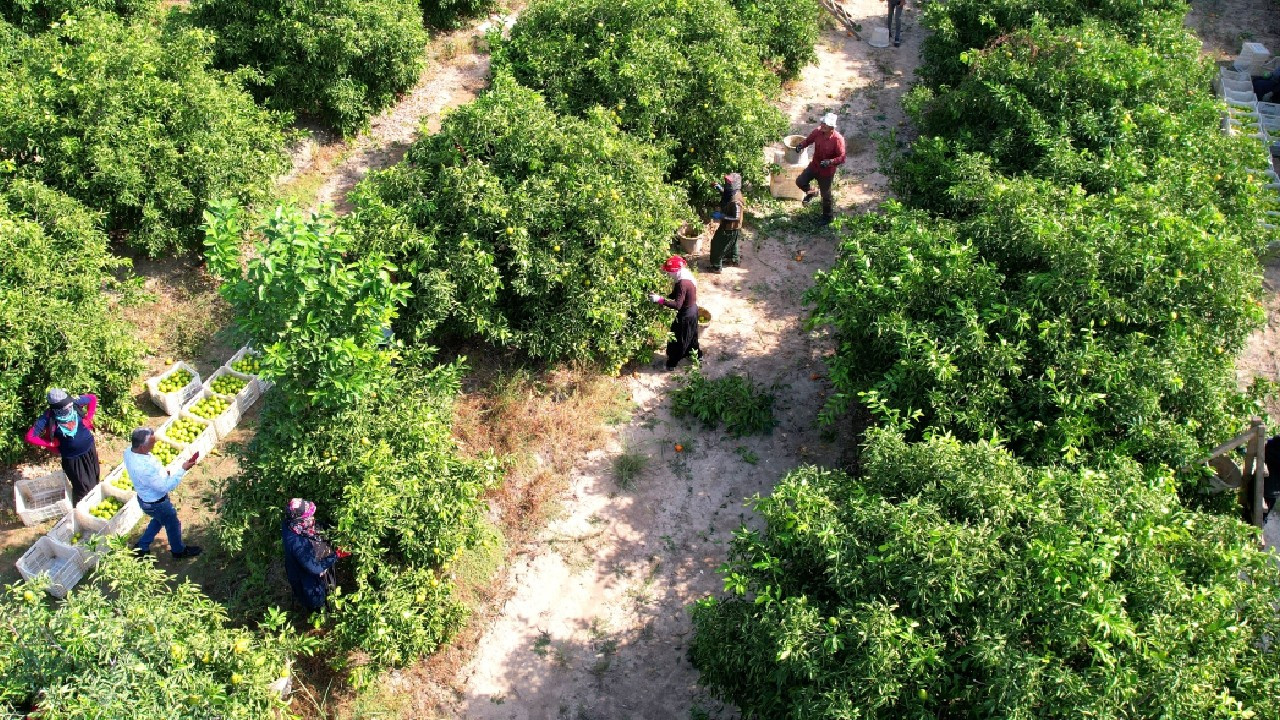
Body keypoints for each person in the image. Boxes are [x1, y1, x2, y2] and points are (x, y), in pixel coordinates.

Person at [124, 427, 202, 559]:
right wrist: (183, 469)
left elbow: (155, 480)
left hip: (145, 498)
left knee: (159, 519)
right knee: (172, 523)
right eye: (152, 443)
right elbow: (164, 487)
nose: (154, 445)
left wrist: (162, 474)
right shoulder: (143, 468)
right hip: (156, 503)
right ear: (142, 447)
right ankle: (178, 551)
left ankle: (142, 546)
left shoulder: (128, 452)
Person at [25, 389, 101, 504]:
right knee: (83, 487)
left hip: (89, 448)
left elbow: (92, 398)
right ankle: (81, 510)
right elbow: (30, 436)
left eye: (69, 405)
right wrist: (49, 444)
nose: (69, 407)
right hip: (72, 458)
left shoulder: (73, 403)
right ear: (57, 408)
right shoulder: (48, 417)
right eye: (66, 407)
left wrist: (89, 417)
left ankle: (95, 501)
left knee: (94, 477)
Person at [282, 498, 341, 613]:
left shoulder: (290, 524)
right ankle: (321, 617)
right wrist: (337, 555)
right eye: (309, 516)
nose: (312, 518)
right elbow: (315, 568)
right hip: (307, 578)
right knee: (317, 603)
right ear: (300, 520)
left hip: (309, 566)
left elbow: (315, 526)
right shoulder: (297, 543)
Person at [649, 255, 700, 371]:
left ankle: (671, 364)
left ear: (674, 271)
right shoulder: (685, 275)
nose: (668, 274)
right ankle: (696, 356)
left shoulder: (682, 283)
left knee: (677, 339)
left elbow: (678, 305)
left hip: (686, 315)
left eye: (668, 272)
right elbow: (677, 295)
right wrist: (662, 296)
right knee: (691, 336)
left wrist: (660, 300)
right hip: (693, 311)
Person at [794, 113, 847, 225]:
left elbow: (842, 158)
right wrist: (801, 145)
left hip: (826, 172)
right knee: (800, 181)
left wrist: (830, 162)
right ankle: (812, 192)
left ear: (832, 127)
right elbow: (808, 141)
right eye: (822, 122)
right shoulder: (817, 132)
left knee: (826, 196)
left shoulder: (838, 140)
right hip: (815, 166)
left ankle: (827, 218)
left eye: (826, 124)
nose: (822, 125)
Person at [708, 173, 744, 272]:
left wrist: (721, 216)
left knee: (717, 244)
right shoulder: (733, 192)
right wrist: (719, 188)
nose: (727, 184)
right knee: (732, 242)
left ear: (735, 184)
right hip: (733, 227)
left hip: (730, 227)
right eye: (726, 182)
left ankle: (716, 266)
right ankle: (733, 259)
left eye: (729, 182)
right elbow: (727, 196)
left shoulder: (736, 200)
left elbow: (736, 217)